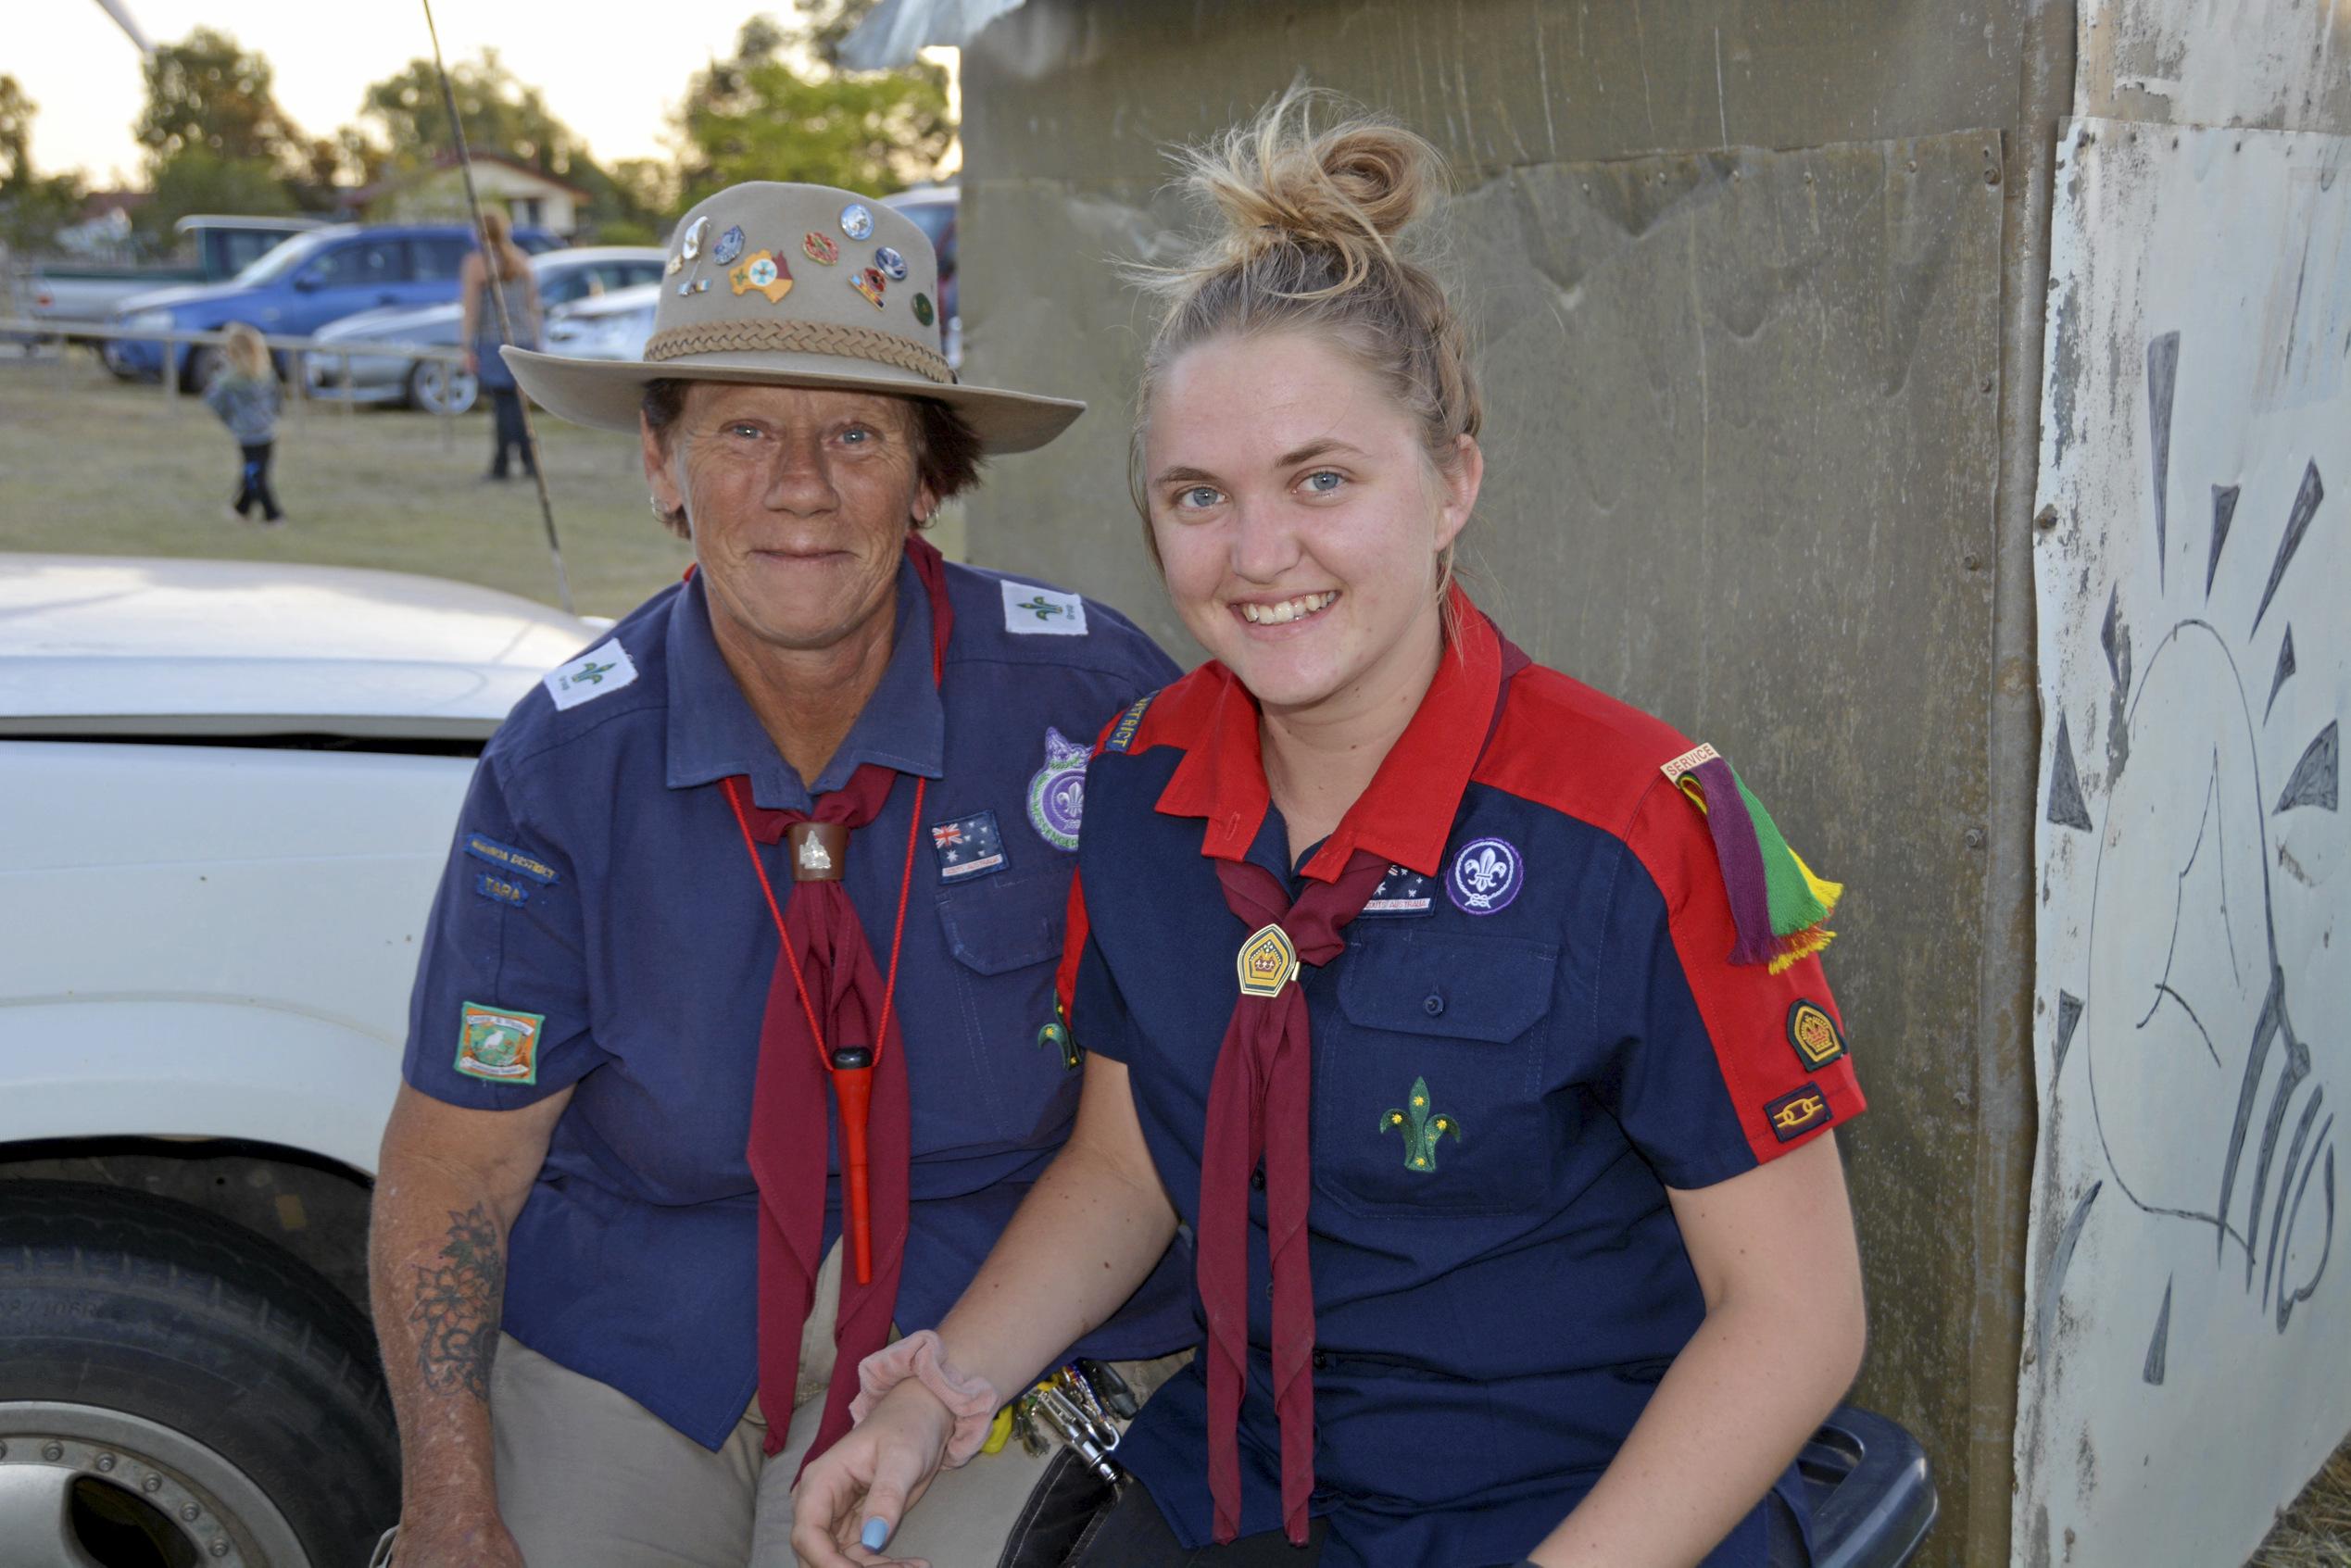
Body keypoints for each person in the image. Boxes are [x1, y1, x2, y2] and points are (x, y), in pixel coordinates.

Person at [794, 90, 1870, 1568]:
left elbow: (1796, 1316)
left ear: (1451, 487)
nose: (1257, 556)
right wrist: (937, 1396)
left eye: (1321, 480)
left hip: (1581, 1511)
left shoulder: (1636, 824)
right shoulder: (1135, 791)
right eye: (1196, 496)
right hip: (1237, 1501)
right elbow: (1124, 1169)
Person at [366, 181, 1196, 1568]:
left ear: (928, 475)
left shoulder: (1089, 704)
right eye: (742, 428)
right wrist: (451, 1505)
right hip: (644, 1331)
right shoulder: (566, 764)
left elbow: (1158, 1126)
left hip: (989, 1309)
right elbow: (453, 1170)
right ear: (660, 465)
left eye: (855, 434)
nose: (799, 486)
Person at [459, 207, 543, 482]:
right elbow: (533, 308)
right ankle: (528, 460)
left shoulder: (477, 263)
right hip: (523, 341)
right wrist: (536, 344)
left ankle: (502, 463)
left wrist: (467, 346)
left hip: (494, 342)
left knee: (504, 404)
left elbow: (471, 310)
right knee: (516, 404)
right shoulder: (521, 260)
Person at [202, 320, 284, 526]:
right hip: (265, 431)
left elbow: (212, 399)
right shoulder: (265, 374)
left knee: (255, 473)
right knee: (255, 471)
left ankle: (264, 514)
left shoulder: (230, 379)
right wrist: (271, 416)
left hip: (249, 433)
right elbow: (277, 401)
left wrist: (230, 419)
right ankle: (250, 511)